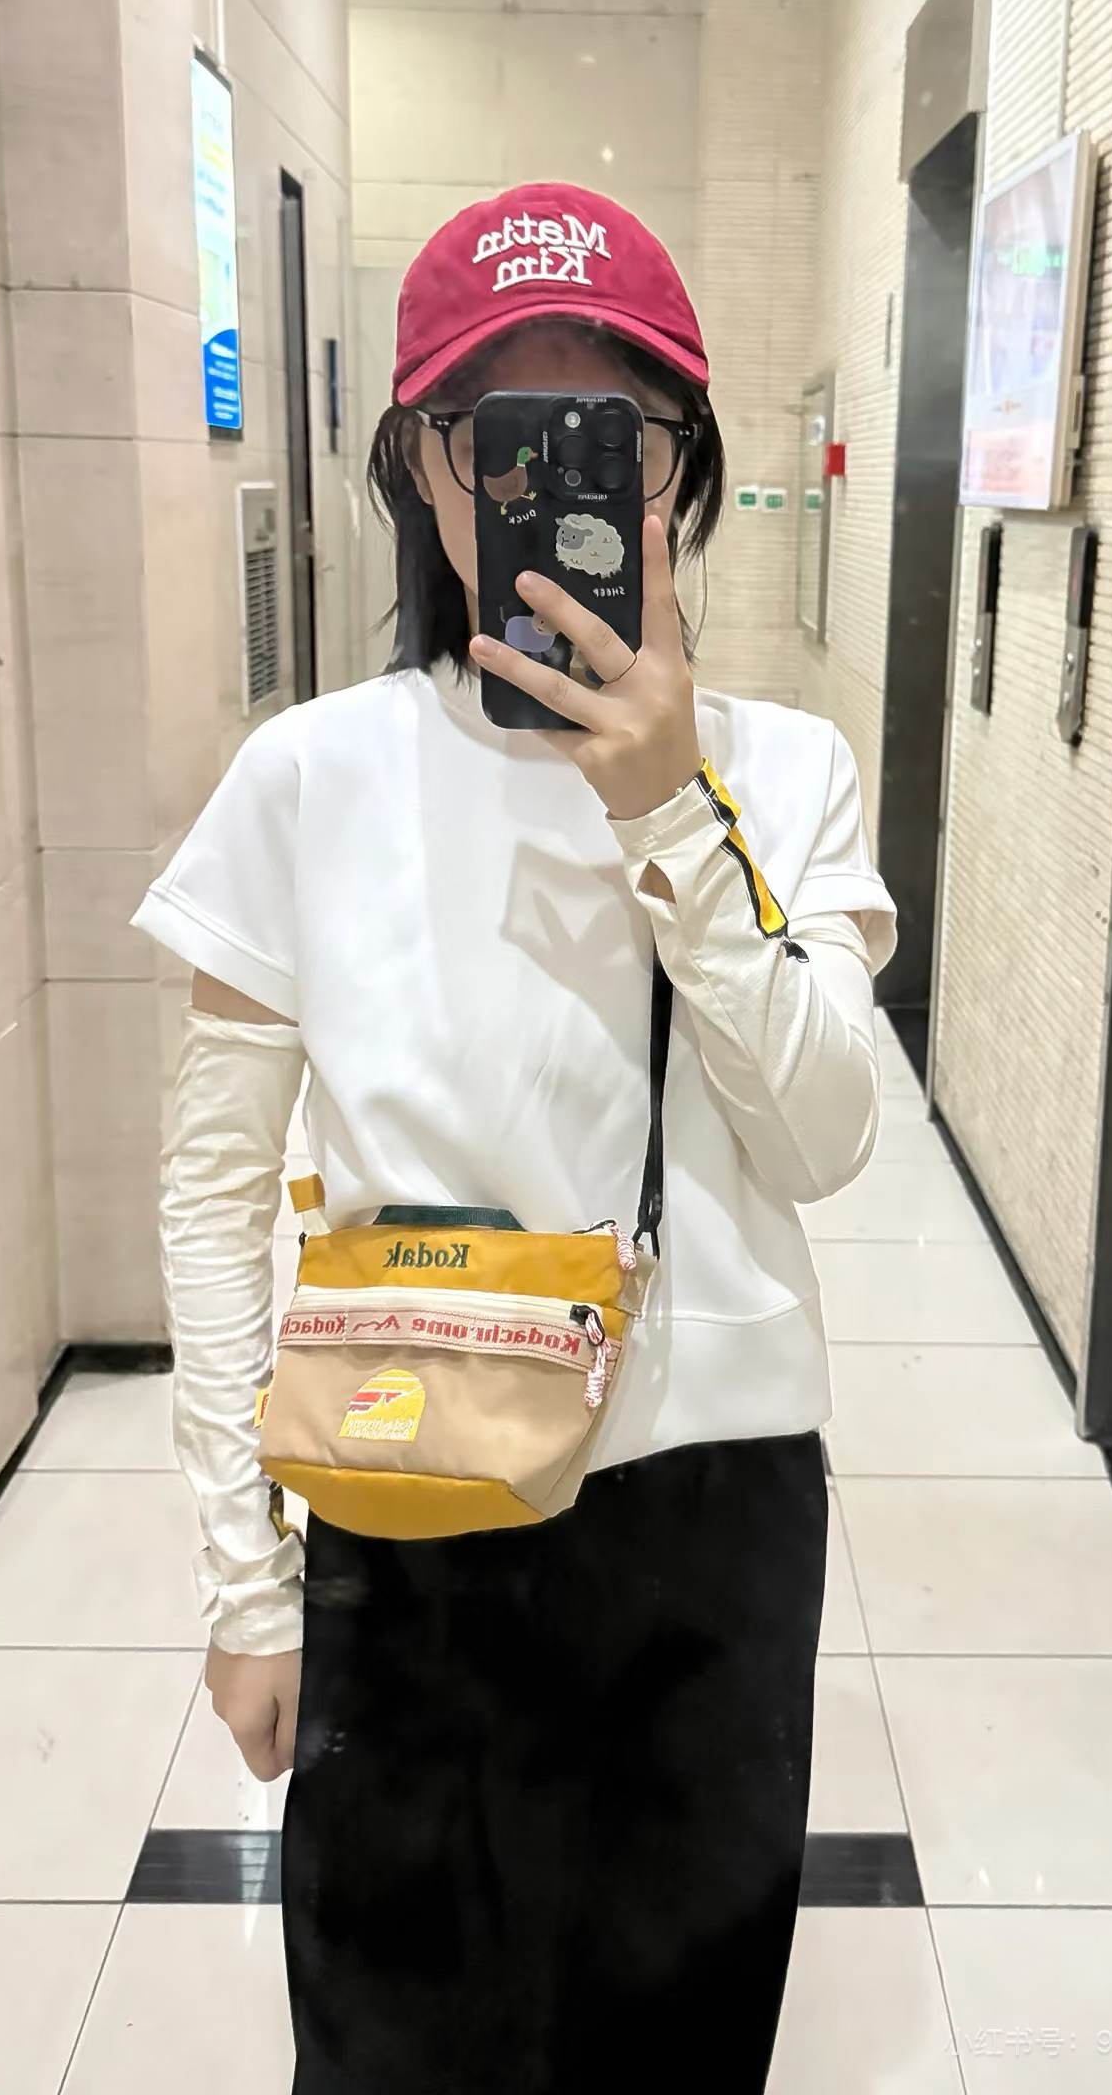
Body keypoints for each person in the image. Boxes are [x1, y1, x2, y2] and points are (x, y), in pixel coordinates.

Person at [134, 183, 896, 2095]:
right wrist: (243, 1580)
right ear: (422, 464)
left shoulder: (787, 773)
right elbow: (212, 1199)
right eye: (503, 430)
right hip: (407, 1487)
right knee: (393, 2053)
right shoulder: (306, 776)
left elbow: (821, 1139)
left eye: (616, 430)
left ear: (682, 464)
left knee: (677, 2051)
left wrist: (671, 813)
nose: (559, 479)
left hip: (712, 1510)